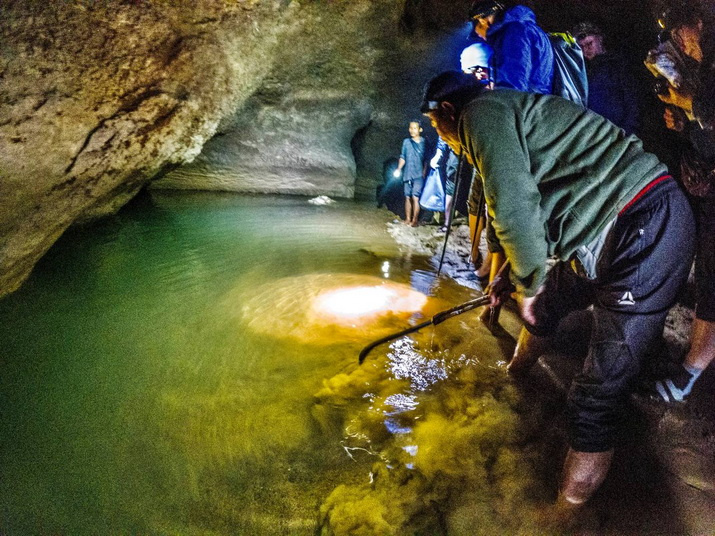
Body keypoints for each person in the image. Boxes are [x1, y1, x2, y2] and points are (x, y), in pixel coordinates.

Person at [421, 71, 694, 509]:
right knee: (545, 306)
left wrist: (526, 284)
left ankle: (563, 517)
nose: (446, 140)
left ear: (447, 111)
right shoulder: (506, 110)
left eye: (438, 129)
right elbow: (520, 201)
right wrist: (507, 276)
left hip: (646, 229)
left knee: (594, 399)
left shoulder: (480, 116)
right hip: (609, 228)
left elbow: (514, 204)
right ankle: (515, 373)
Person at [650, 2, 715, 402]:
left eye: (681, 30)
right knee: (699, 267)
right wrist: (681, 124)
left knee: (712, 278)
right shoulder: (700, 66)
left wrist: (688, 106)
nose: (678, 40)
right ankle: (685, 362)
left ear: (701, 22)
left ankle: (689, 374)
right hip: (705, 183)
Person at [467, 1, 554, 287]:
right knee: (503, 204)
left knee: (503, 204)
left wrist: (492, 120)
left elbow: (513, 90)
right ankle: (496, 271)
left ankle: (502, 281)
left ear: (485, 18)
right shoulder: (527, 29)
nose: (477, 33)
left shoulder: (515, 32)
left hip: (521, 133)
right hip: (531, 128)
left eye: (477, 26)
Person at [572, 21, 640, 135]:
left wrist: (627, 133)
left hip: (621, 134)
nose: (585, 51)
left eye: (589, 44)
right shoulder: (583, 71)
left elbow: (633, 101)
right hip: (598, 135)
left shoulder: (618, 64)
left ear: (600, 39)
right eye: (581, 47)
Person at [394, 120, 427, 227]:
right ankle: (407, 219)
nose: (412, 130)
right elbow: (403, 157)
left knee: (415, 197)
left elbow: (427, 159)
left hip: (418, 175)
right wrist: (399, 169)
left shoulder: (424, 142)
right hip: (407, 174)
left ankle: (415, 220)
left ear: (420, 129)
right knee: (407, 197)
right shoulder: (406, 142)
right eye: (410, 128)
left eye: (415, 128)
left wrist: (424, 172)